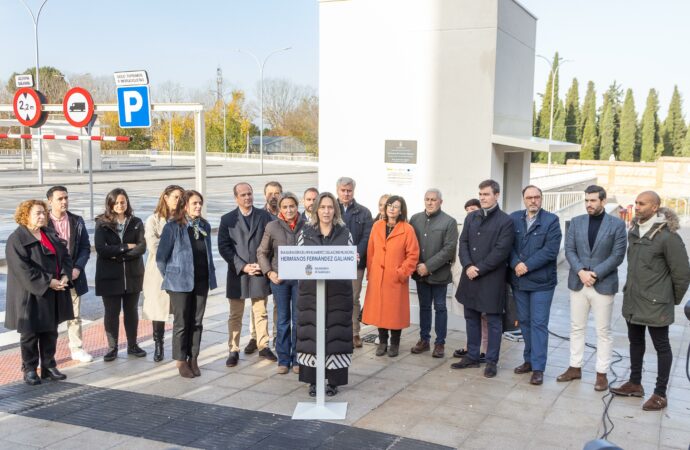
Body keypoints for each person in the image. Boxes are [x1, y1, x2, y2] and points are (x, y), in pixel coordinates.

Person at [610, 191, 690, 411]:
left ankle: (660, 394)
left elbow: (682, 273)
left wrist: (670, 299)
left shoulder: (668, 236)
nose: (637, 207)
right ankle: (635, 383)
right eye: (636, 203)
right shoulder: (634, 231)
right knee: (635, 342)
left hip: (656, 303)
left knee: (661, 346)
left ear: (655, 207)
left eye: (642, 203)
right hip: (634, 300)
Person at [558, 185, 627, 391]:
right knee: (576, 327)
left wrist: (594, 274)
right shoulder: (577, 222)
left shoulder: (616, 225)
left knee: (603, 331)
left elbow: (617, 255)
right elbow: (569, 250)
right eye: (586, 200)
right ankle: (574, 367)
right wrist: (581, 271)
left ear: (603, 201)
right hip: (578, 282)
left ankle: (601, 374)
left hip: (603, 284)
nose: (589, 204)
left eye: (593, 201)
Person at [5, 200, 74, 385]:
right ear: (25, 215)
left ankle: (49, 366)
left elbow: (65, 256)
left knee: (51, 331)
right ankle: (29, 369)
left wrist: (66, 275)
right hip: (30, 294)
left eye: (44, 212)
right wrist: (48, 281)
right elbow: (22, 269)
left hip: (53, 291)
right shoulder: (17, 239)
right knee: (30, 334)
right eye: (38, 213)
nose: (43, 216)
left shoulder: (48, 233)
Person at [452, 180, 514, 378]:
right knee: (471, 318)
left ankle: (491, 361)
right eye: (480, 194)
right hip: (470, 275)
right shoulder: (472, 218)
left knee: (494, 321)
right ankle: (472, 355)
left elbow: (501, 251)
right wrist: (468, 265)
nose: (482, 198)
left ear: (496, 195)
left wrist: (479, 268)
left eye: (486, 194)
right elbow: (463, 243)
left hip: (491, 278)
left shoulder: (505, 221)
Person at [296, 192, 354, 397]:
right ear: (316, 209)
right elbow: (299, 260)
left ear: (335, 210)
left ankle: (333, 381)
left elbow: (349, 260)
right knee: (312, 336)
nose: (326, 211)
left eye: (330, 207)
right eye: (323, 207)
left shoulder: (344, 232)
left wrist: (352, 259)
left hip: (337, 294)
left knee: (335, 336)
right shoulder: (306, 231)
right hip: (312, 294)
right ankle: (313, 381)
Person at [157, 190, 217, 378]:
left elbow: (206, 253)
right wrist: (171, 276)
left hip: (201, 280)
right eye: (194, 203)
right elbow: (161, 258)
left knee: (197, 322)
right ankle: (181, 361)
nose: (198, 206)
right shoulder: (173, 227)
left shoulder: (204, 225)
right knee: (182, 323)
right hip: (179, 283)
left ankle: (194, 358)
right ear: (185, 206)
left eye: (200, 203)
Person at [218, 182, 277, 367]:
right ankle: (233, 349)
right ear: (236, 198)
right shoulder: (227, 219)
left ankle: (263, 345)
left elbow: (270, 244)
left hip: (259, 272)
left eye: (249, 194)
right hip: (238, 274)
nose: (247, 197)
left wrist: (263, 265)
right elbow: (224, 247)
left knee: (260, 312)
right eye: (243, 195)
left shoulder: (264, 216)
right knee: (236, 314)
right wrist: (242, 266)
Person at [509, 185, 562, 385]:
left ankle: (538, 368)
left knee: (538, 324)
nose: (533, 201)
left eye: (537, 197)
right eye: (529, 197)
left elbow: (550, 250)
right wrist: (515, 264)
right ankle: (528, 361)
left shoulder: (551, 221)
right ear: (523, 199)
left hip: (542, 283)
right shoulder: (514, 218)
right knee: (524, 321)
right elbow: (507, 246)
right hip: (520, 282)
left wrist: (527, 265)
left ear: (541, 199)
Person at [362, 195, 420, 357]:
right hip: (378, 277)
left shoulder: (407, 229)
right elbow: (371, 251)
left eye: (396, 206)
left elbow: (413, 255)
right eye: (390, 205)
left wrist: (401, 272)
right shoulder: (377, 226)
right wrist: (371, 272)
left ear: (401, 210)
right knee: (381, 311)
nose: (392, 209)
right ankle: (382, 342)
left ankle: (394, 343)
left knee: (395, 312)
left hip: (396, 278)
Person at [95, 188, 147, 361]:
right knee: (111, 312)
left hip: (133, 275)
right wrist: (125, 248)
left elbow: (141, 247)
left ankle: (132, 345)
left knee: (131, 311)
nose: (119, 205)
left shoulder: (136, 222)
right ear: (110, 204)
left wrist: (117, 255)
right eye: (116, 202)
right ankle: (112, 348)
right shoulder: (101, 223)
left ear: (127, 203)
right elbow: (102, 249)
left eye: (122, 202)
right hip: (109, 277)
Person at [257, 192, 304, 374]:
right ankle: (283, 360)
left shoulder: (307, 225)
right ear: (280, 209)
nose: (289, 210)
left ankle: (298, 358)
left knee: (298, 320)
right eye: (285, 207)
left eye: (292, 206)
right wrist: (269, 272)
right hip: (281, 280)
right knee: (283, 321)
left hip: (301, 280)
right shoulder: (272, 226)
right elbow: (262, 252)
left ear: (296, 206)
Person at [45, 186, 93, 363]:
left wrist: (77, 268)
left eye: (66, 198)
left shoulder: (76, 221)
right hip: (51, 279)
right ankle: (48, 355)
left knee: (74, 315)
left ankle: (77, 349)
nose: (64, 201)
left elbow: (85, 248)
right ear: (50, 201)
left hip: (72, 277)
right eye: (59, 199)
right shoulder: (43, 222)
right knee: (50, 318)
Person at [409, 189, 458, 358]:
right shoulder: (415, 219)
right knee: (424, 307)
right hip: (419, 274)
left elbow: (449, 249)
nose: (430, 202)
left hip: (439, 274)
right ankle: (424, 340)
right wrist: (416, 265)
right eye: (427, 199)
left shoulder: (449, 222)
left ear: (440, 202)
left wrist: (428, 266)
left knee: (440, 308)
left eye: (433, 200)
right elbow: (409, 244)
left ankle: (440, 343)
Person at [143, 184, 184, 362]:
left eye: (181, 197)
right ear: (165, 197)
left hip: (180, 271)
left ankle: (179, 346)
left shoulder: (184, 219)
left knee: (179, 310)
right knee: (158, 311)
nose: (178, 200)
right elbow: (153, 246)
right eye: (175, 196)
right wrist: (173, 247)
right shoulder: (153, 220)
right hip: (158, 271)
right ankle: (158, 345)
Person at [336, 177, 373, 348]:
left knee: (353, 298)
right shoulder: (330, 208)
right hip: (333, 263)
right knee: (334, 297)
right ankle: (336, 331)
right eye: (343, 190)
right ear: (338, 190)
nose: (346, 193)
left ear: (353, 191)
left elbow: (367, 237)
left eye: (349, 190)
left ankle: (354, 333)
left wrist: (356, 255)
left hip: (356, 264)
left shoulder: (364, 212)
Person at [453, 198, 489, 361]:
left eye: (473, 209)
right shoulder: (465, 227)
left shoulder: (487, 226)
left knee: (485, 317)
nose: (470, 212)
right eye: (467, 209)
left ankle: (485, 350)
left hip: (483, 276)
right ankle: (471, 347)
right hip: (466, 276)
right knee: (471, 316)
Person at [256, 180, 283, 348]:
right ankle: (258, 339)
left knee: (279, 306)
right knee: (259, 306)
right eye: (270, 193)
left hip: (280, 267)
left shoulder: (288, 212)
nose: (273, 197)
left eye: (277, 193)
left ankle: (278, 338)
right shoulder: (258, 215)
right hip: (263, 265)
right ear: (264, 195)